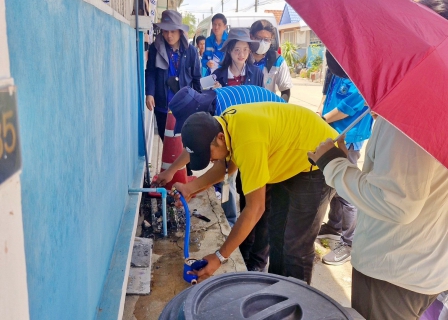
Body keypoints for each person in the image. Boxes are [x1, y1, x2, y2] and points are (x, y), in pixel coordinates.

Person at [308, 2, 448, 317]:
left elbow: (397, 202)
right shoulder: (433, 97)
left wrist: (333, 164)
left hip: (394, 271)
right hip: (421, 267)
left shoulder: (415, 109)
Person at [174, 103, 338, 285]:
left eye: (209, 154)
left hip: (321, 160)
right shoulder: (225, 124)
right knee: (277, 233)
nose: (211, 160)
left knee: (296, 246)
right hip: (293, 157)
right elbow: (225, 165)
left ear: (220, 138)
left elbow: (255, 209)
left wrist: (220, 256)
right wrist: (190, 188)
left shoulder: (247, 141)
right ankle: (278, 292)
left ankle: (298, 304)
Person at [155, 85, 285, 235]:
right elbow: (195, 145)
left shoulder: (225, 116)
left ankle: (234, 227)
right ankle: (244, 237)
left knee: (256, 204)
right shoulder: (205, 107)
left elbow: (226, 168)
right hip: (259, 135)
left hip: (277, 141)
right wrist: (171, 171)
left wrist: (221, 255)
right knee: (247, 195)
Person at [315, 54, 374, 266]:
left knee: (347, 190)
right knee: (334, 184)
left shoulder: (363, 75)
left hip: (348, 138)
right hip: (332, 133)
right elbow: (329, 96)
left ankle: (349, 243)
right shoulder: (339, 70)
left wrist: (321, 119)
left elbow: (347, 108)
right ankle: (333, 227)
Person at [145, 10, 201, 141]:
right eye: (165, 31)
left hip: (185, 105)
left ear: (180, 31)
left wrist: (199, 103)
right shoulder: (155, 48)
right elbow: (151, 72)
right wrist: (150, 93)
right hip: (162, 105)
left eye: (173, 31)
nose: (169, 35)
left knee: (187, 142)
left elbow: (196, 78)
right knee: (166, 141)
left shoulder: (191, 51)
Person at [249, 19, 293, 101]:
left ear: (271, 39)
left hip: (268, 108)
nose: (262, 42)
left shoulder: (278, 61)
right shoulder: (242, 58)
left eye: (266, 39)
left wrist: (279, 108)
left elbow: (285, 91)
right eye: (258, 38)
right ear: (251, 37)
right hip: (244, 108)